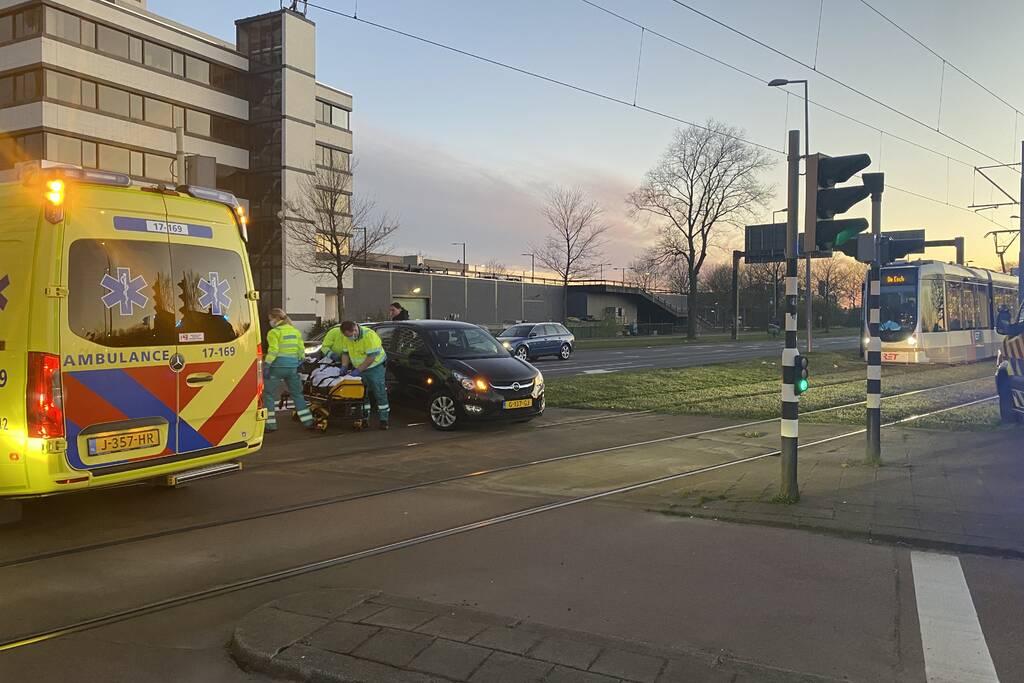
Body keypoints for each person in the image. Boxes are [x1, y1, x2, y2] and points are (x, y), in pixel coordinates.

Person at [329, 320, 390, 430]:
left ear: (355, 329)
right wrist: (344, 366)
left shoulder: (369, 336)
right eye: (348, 335)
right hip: (360, 368)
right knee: (362, 394)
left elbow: (371, 358)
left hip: (375, 367)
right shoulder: (346, 337)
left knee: (379, 392)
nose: (351, 337)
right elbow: (345, 353)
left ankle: (383, 420)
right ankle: (364, 418)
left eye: (351, 334)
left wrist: (358, 370)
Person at [262, 308, 314, 431]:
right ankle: (308, 421)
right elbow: (301, 350)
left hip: (277, 366)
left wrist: (267, 365)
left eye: (270, 319)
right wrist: (299, 361)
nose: (270, 322)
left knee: (268, 395)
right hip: (292, 367)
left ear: (276, 319)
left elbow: (273, 350)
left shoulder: (274, 332)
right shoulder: (295, 331)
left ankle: (270, 425)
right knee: (297, 394)